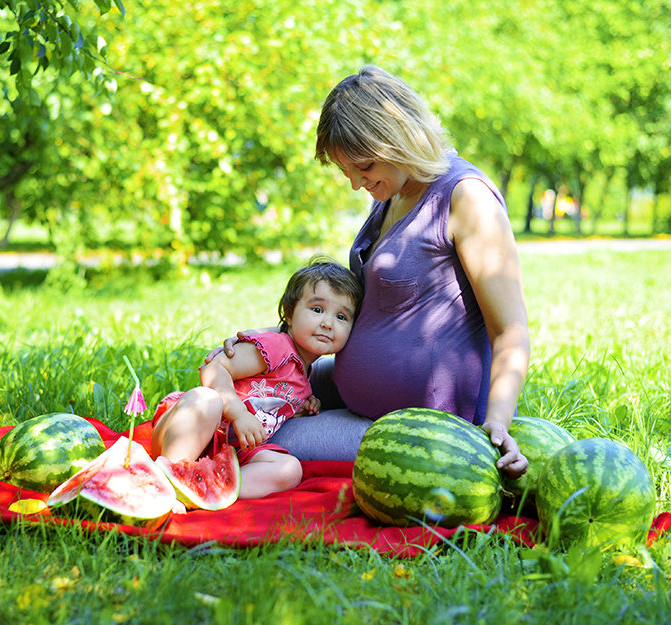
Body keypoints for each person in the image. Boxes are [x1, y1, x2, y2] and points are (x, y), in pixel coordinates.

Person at [210, 65, 531, 479]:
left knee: (263, 438)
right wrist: (264, 350)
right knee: (247, 385)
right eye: (348, 172)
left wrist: (498, 422)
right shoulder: (393, 191)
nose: (356, 185)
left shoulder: (465, 197)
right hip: (354, 390)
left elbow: (511, 330)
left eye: (362, 168)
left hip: (420, 426)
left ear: (396, 139)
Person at [151, 257, 363, 500]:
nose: (327, 323)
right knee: (205, 400)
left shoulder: (306, 374)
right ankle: (170, 481)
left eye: (342, 317)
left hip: (234, 450)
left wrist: (299, 406)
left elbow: (268, 397)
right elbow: (213, 368)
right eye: (317, 310)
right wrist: (238, 413)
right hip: (193, 428)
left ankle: (208, 491)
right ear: (289, 314)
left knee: (289, 469)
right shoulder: (276, 347)